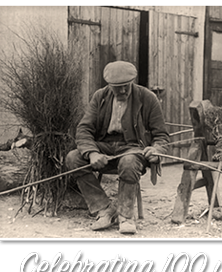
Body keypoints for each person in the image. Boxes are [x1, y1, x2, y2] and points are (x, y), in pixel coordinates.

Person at [65, 61, 169, 234]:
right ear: (109, 85)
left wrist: (157, 149)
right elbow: (84, 128)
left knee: (128, 162)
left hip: (133, 148)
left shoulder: (147, 98)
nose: (122, 91)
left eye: (125, 86)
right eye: (116, 87)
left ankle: (126, 216)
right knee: (73, 158)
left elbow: (162, 135)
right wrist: (91, 153)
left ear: (132, 82)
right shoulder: (100, 97)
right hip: (104, 146)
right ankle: (103, 209)